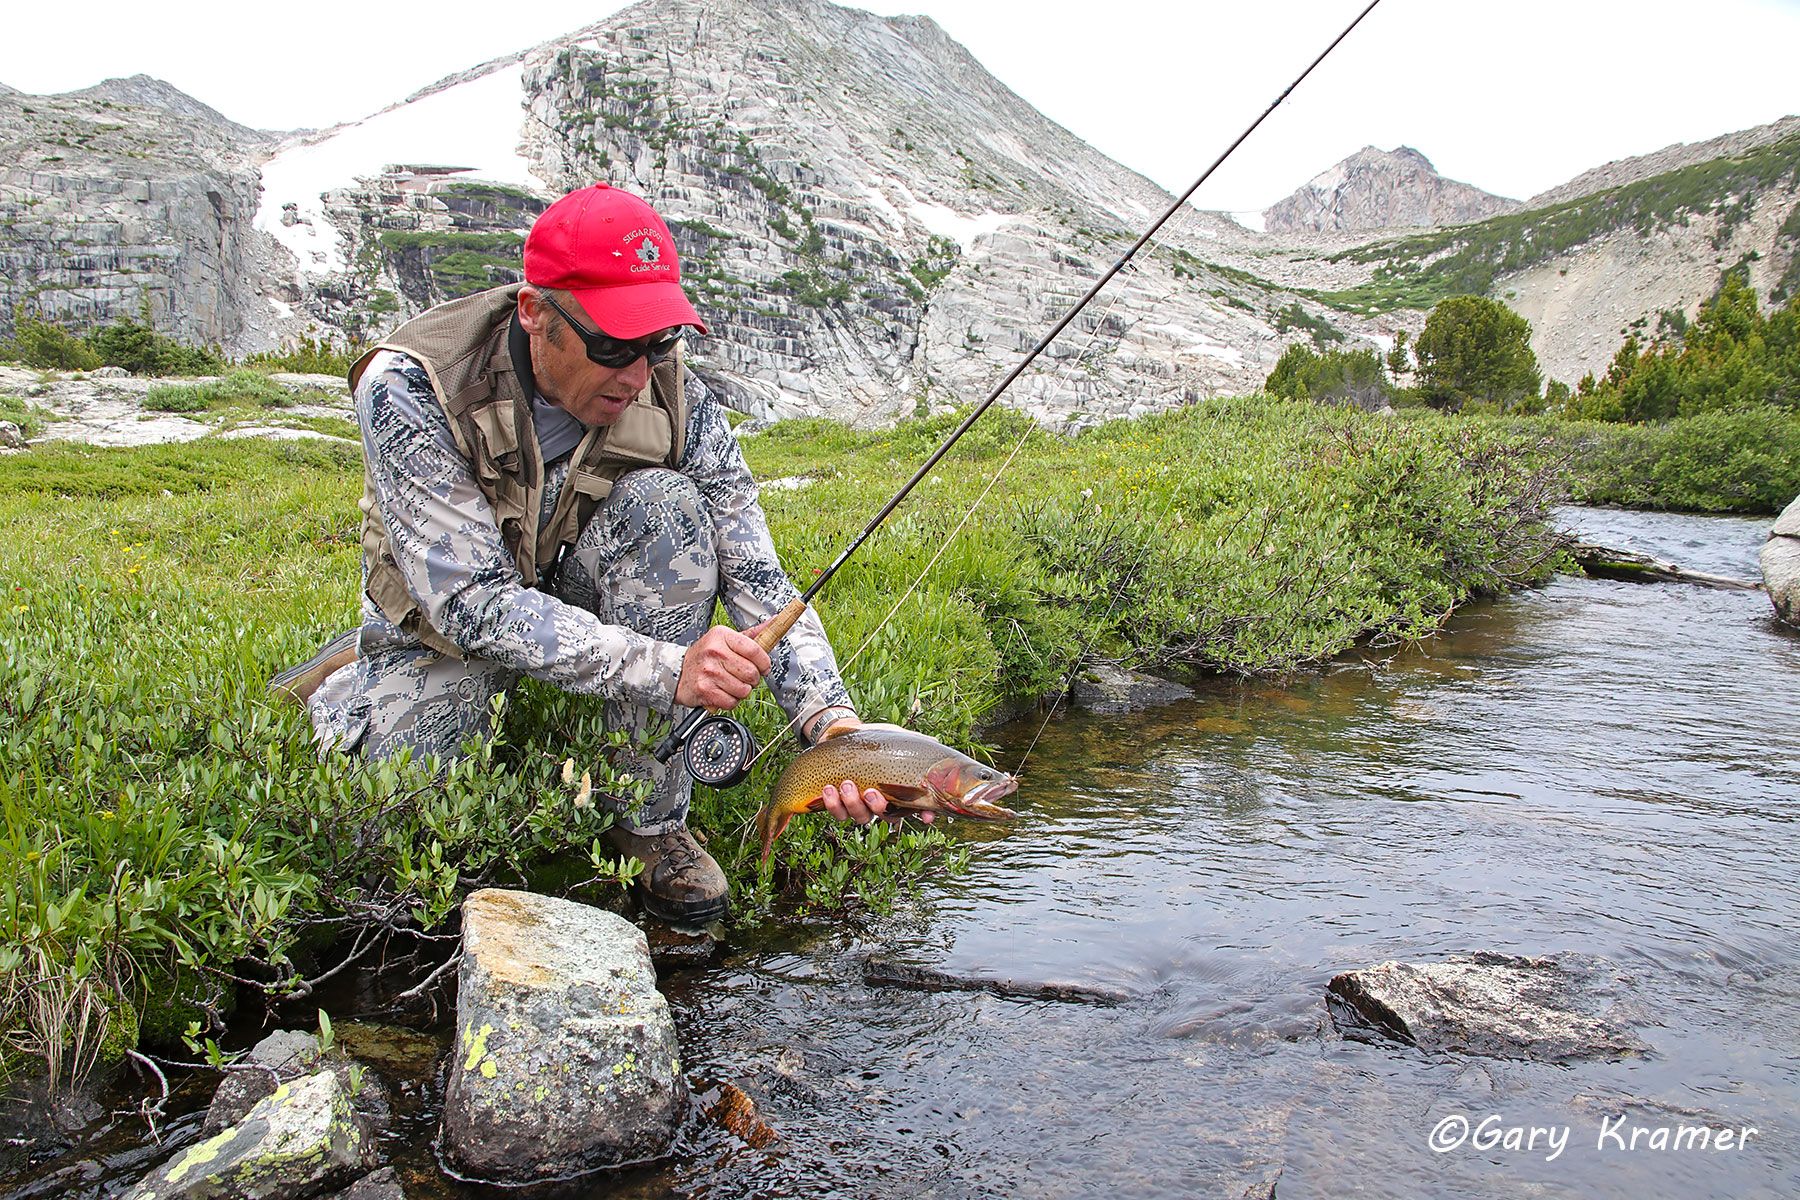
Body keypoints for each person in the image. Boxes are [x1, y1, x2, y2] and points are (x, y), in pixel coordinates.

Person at [274, 183, 897, 922]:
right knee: (407, 858)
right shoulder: (411, 385)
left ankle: (645, 818)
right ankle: (350, 682)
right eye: (611, 346)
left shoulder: (677, 396)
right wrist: (673, 671)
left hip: (576, 585)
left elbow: (755, 571)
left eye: (657, 343)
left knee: (669, 509)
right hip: (446, 618)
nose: (637, 376)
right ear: (535, 314)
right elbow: (472, 604)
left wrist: (835, 728)